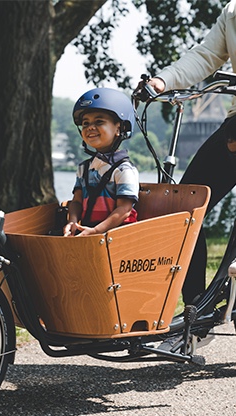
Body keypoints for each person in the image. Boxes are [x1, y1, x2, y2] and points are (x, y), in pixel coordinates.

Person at [140, 0, 236, 309]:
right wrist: (162, 81)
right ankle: (197, 306)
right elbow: (206, 55)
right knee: (186, 207)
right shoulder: (232, 12)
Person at [63, 88, 139, 237]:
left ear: (119, 128)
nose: (90, 127)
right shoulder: (83, 168)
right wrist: (72, 222)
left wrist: (97, 231)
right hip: (87, 232)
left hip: (117, 236)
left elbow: (124, 210)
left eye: (99, 122)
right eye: (85, 123)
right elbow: (77, 201)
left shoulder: (124, 170)